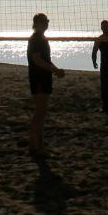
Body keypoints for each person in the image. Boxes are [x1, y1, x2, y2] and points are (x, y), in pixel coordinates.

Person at [27, 13, 64, 158]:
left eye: (47, 22)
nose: (46, 24)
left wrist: (56, 70)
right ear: (37, 24)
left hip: (44, 77)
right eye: (44, 22)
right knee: (40, 112)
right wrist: (55, 70)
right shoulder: (36, 39)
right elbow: (37, 61)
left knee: (41, 112)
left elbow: (46, 60)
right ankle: (35, 145)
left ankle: (38, 145)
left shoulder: (42, 39)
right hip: (38, 78)